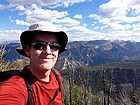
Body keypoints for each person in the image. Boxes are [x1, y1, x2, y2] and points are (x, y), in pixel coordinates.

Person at [0, 22, 68, 105]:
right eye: (39, 45)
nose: (48, 51)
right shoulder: (17, 86)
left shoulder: (56, 76)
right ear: (27, 50)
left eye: (54, 46)